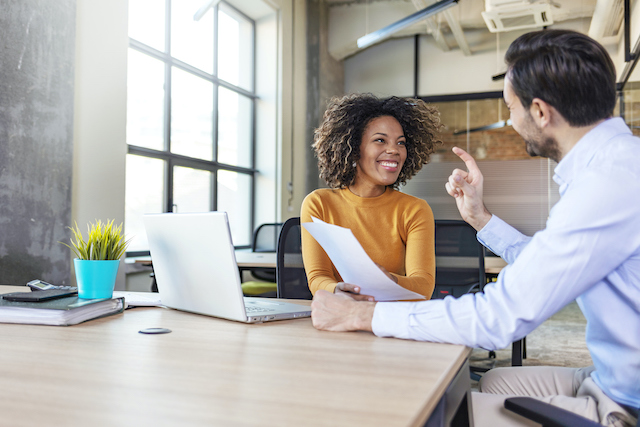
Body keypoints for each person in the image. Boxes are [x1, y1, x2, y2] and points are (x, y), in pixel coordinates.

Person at [310, 29, 640, 427]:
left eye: (510, 107)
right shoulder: (615, 165)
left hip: (627, 402)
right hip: (608, 378)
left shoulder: (607, 184)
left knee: (436, 412)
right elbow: (549, 266)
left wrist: (364, 317)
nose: (511, 120)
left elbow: (500, 318)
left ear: (539, 112)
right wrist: (481, 218)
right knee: (494, 380)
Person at [301, 93, 442, 301]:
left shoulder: (415, 210)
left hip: (392, 318)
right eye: (380, 140)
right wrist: (338, 291)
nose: (394, 150)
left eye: (401, 143)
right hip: (340, 313)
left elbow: (423, 287)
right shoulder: (319, 204)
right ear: (353, 147)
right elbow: (317, 278)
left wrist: (388, 281)